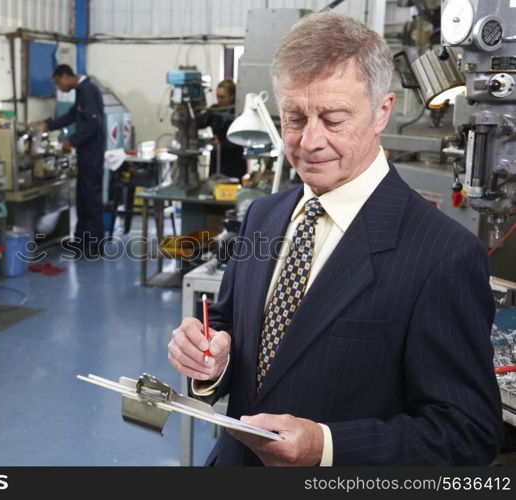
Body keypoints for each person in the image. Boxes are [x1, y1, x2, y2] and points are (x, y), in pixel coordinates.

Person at [168, 11, 503, 466]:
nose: (309, 141)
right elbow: (228, 325)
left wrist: (326, 447)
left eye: (333, 118)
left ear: (382, 111)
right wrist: (211, 361)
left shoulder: (443, 254)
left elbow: (467, 432)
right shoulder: (263, 216)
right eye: (294, 117)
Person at [40, 64, 105, 257]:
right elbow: (72, 116)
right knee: (83, 198)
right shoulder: (81, 91)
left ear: (66, 76)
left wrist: (72, 141)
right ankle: (81, 241)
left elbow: (94, 124)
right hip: (86, 152)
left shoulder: (88, 90)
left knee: (90, 199)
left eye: (58, 82)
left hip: (92, 153)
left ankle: (94, 246)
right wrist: (48, 125)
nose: (59, 88)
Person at [200, 79, 247, 180]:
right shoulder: (214, 109)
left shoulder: (239, 112)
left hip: (233, 160)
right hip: (217, 159)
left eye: (222, 97)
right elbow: (200, 124)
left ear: (232, 97)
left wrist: (221, 144)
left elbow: (241, 138)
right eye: (217, 96)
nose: (219, 100)